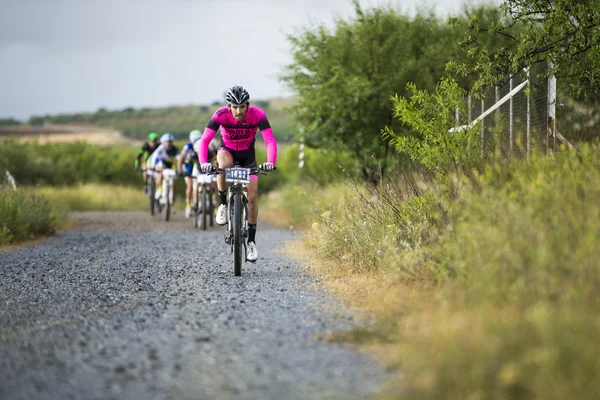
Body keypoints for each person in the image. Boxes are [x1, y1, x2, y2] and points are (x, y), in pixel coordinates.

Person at [198, 85, 277, 262]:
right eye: (235, 107)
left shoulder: (257, 115)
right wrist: (203, 163)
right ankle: (223, 205)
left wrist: (271, 162)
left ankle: (251, 242)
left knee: (252, 198)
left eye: (242, 106)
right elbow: (204, 141)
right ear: (229, 107)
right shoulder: (220, 115)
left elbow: (270, 140)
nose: (238, 111)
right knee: (223, 165)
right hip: (227, 151)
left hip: (248, 156)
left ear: (248, 105)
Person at [177, 130, 218, 218]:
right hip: (196, 169)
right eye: (197, 152)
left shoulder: (210, 152)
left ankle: (216, 205)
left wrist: (217, 171)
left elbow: (215, 161)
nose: (199, 154)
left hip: (208, 169)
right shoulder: (190, 151)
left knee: (215, 185)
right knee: (193, 185)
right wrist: (186, 173)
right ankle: (194, 203)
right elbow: (187, 163)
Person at [149, 132, 180, 205]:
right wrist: (152, 166)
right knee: (160, 172)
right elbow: (154, 156)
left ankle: (172, 198)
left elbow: (179, 158)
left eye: (170, 142)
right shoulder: (161, 148)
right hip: (160, 163)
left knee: (174, 180)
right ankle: (159, 189)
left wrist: (180, 168)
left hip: (170, 164)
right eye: (167, 142)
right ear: (163, 142)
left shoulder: (174, 149)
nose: (168, 143)